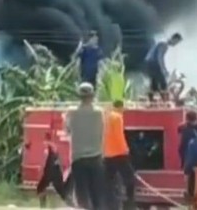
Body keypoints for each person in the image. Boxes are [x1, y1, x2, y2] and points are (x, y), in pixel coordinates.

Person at [64, 82, 105, 210]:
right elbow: (102, 131)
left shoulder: (71, 113)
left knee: (82, 197)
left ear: (79, 96)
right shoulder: (99, 113)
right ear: (92, 96)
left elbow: (67, 131)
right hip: (96, 158)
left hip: (78, 159)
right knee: (97, 195)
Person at [103, 100, 136, 210]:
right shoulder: (117, 117)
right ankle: (129, 202)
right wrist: (125, 149)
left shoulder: (105, 117)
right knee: (130, 178)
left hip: (107, 154)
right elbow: (119, 135)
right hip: (118, 153)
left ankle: (108, 202)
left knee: (108, 179)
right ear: (120, 107)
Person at [144, 32, 182, 102]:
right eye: (176, 42)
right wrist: (163, 69)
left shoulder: (162, 41)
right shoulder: (164, 44)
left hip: (148, 62)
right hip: (153, 63)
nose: (175, 44)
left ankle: (151, 100)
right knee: (163, 83)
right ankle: (165, 101)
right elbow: (159, 58)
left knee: (154, 82)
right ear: (174, 39)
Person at [36, 133, 69, 207]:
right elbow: (59, 160)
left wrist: (40, 168)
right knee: (61, 191)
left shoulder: (49, 149)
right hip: (55, 173)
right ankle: (44, 205)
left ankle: (43, 205)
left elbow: (44, 161)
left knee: (40, 189)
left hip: (50, 173)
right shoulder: (54, 149)